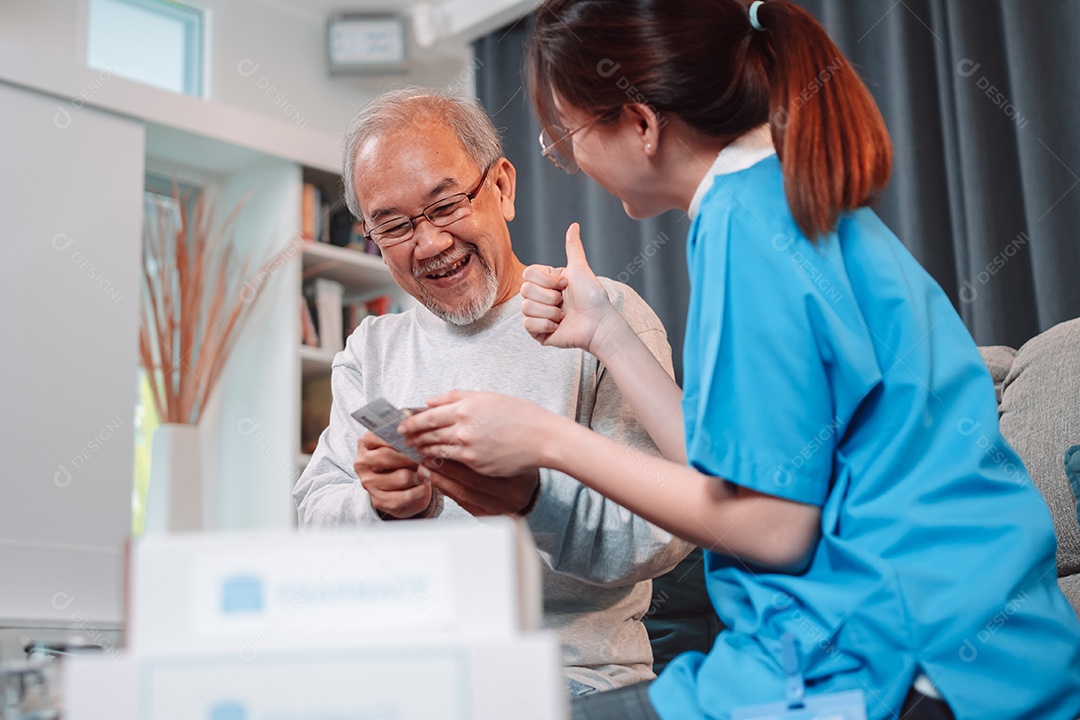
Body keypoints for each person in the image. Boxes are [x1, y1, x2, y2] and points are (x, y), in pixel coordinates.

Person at [397, 1, 1080, 719]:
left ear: (640, 124)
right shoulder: (771, 200)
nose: (572, 163)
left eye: (567, 137)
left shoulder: (745, 228)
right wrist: (605, 334)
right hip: (946, 644)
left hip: (906, 664)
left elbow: (772, 527)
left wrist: (546, 440)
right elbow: (741, 475)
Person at [292, 88, 693, 696]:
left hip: (569, 682)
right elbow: (311, 523)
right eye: (393, 225)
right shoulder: (370, 350)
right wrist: (379, 508)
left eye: (446, 205)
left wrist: (532, 500)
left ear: (502, 188)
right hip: (402, 684)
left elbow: (663, 530)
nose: (426, 243)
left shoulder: (598, 315)